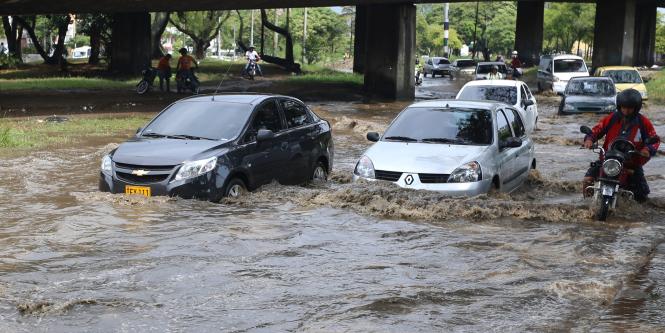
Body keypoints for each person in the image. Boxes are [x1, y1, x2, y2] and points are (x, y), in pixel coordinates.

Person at [582, 89, 660, 202]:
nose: (626, 111)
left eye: (629, 108)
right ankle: (587, 205)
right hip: (608, 160)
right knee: (587, 180)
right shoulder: (612, 118)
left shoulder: (643, 122)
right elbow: (597, 130)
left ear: (636, 108)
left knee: (642, 195)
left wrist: (647, 149)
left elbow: (654, 139)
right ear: (619, 106)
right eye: (623, 107)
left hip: (631, 163)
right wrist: (589, 140)